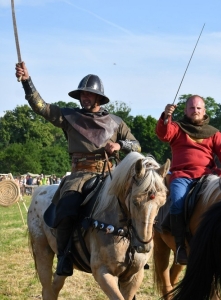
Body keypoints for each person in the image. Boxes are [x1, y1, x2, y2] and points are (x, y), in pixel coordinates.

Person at [15, 62, 141, 276]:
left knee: (136, 204)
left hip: (111, 173)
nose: (85, 97)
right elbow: (41, 107)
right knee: (66, 208)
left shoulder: (116, 122)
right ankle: (64, 256)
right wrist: (27, 81)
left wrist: (120, 145)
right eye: (82, 94)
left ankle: (136, 251)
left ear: (99, 98)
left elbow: (136, 145)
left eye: (89, 94)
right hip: (80, 175)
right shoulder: (69, 117)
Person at [156, 95, 221, 265]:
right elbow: (163, 134)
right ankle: (180, 247)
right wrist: (166, 116)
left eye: (198, 108)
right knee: (177, 202)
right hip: (182, 175)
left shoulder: (214, 133)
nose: (195, 111)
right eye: (192, 108)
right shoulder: (177, 128)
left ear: (204, 111)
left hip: (208, 175)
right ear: (185, 111)